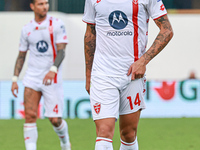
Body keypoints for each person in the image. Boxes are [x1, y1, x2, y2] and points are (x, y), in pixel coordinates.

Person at [83, 0, 173, 149]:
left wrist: (143, 61)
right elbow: (90, 34)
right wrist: (88, 75)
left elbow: (167, 30)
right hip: (103, 73)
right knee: (104, 132)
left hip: (132, 74)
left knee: (129, 134)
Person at [11, 0, 71, 150]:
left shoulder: (57, 24)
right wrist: (14, 79)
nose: (45, 6)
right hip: (32, 77)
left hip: (52, 78)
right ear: (32, 6)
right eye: (40, 3)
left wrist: (53, 70)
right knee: (30, 116)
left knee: (55, 119)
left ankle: (65, 143)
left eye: (46, 3)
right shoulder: (27, 29)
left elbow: (62, 50)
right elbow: (21, 56)